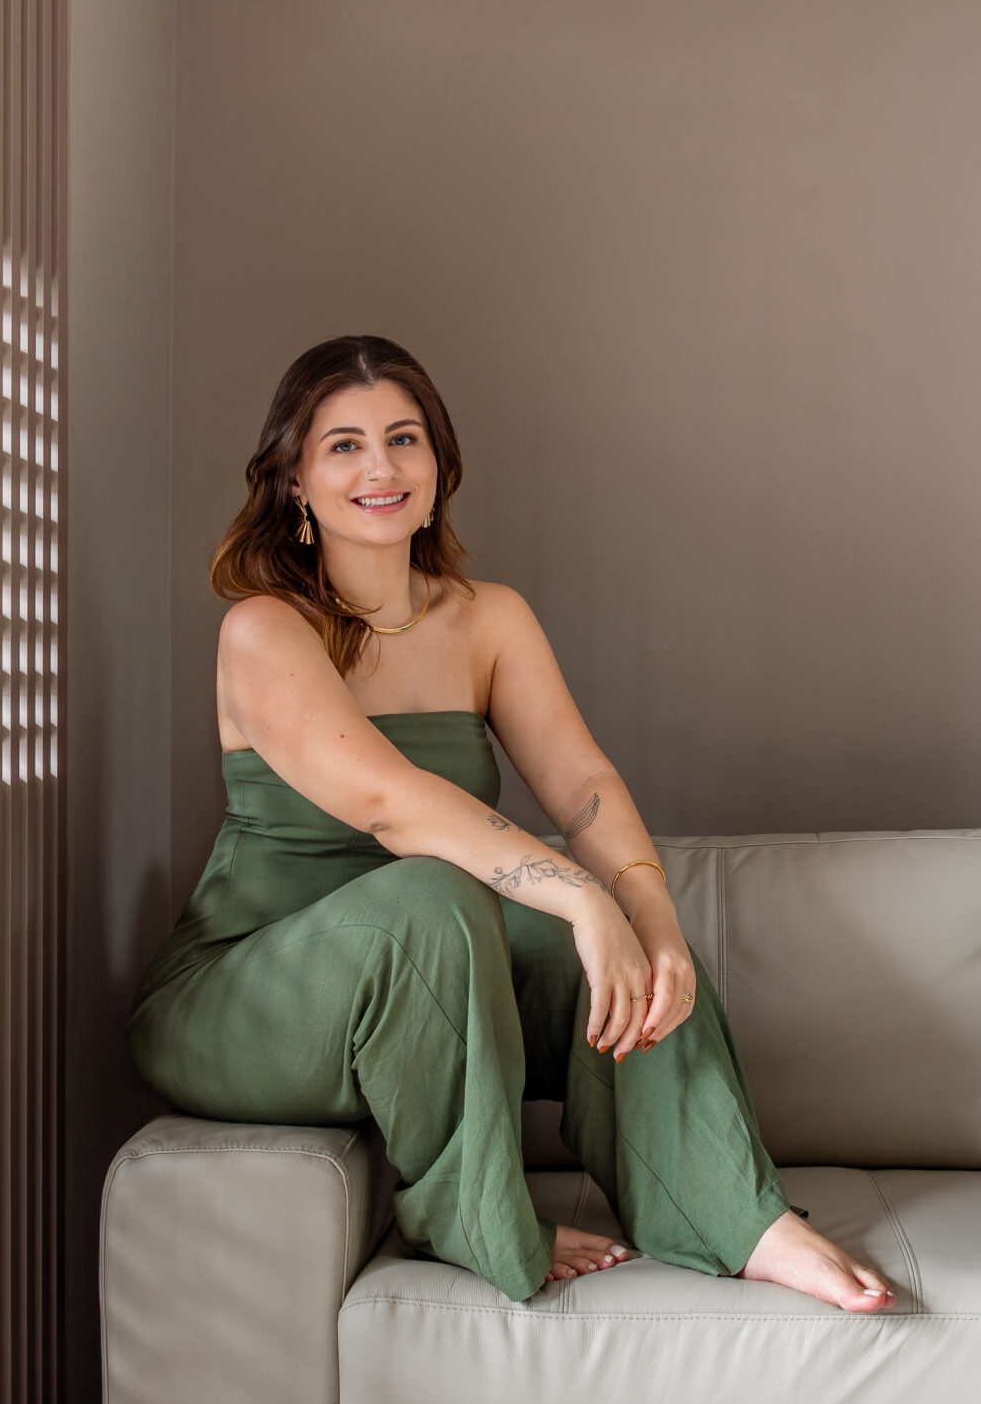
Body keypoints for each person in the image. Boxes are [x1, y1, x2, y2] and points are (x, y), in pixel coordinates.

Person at [131, 334, 895, 1311]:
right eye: (343, 445)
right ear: (294, 480)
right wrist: (582, 898)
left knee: (620, 957)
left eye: (403, 438)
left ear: (439, 465)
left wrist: (650, 922)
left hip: (433, 958)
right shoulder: (263, 627)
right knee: (434, 892)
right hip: (252, 997)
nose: (380, 468)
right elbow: (388, 802)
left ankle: (743, 1222)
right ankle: (474, 1218)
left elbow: (582, 785)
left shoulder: (487, 619)